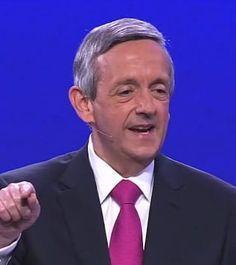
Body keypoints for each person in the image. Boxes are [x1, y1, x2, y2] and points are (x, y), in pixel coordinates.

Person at [0, 18, 236, 265]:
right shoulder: (20, 206)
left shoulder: (222, 209)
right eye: (126, 91)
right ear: (84, 105)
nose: (147, 107)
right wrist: (3, 242)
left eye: (159, 90)